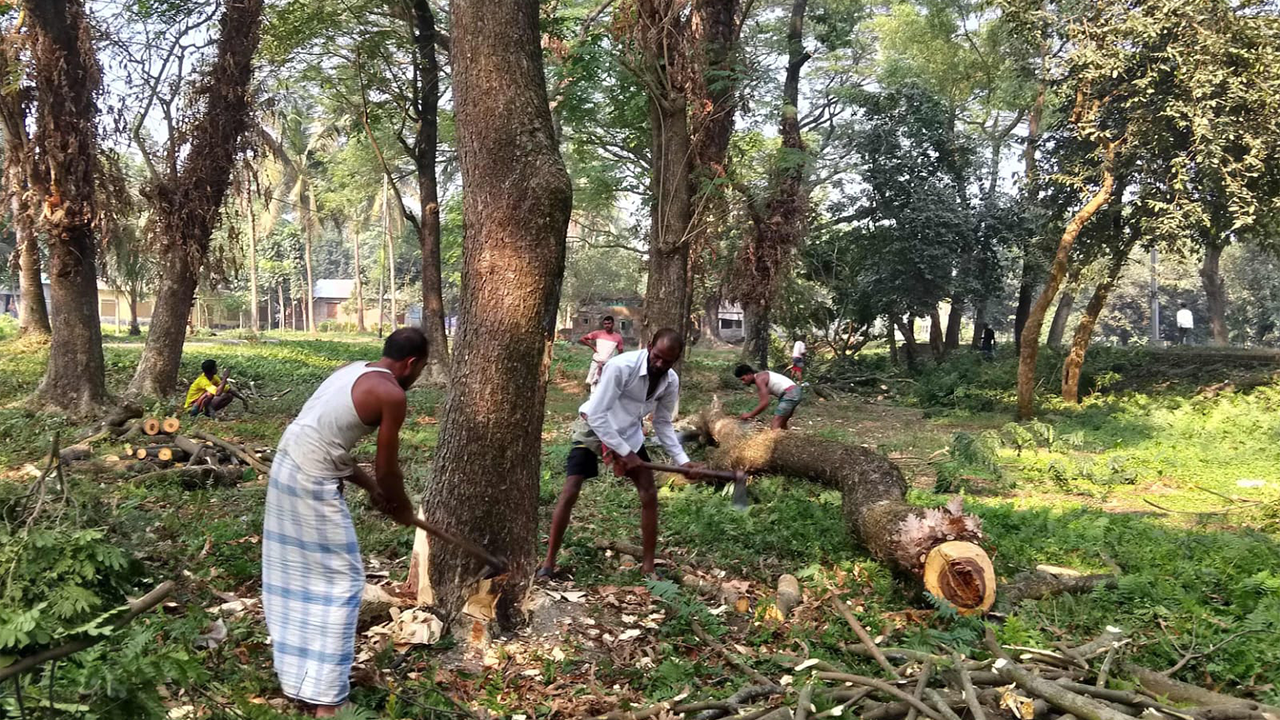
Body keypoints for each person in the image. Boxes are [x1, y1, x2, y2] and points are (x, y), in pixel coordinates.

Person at [261, 328, 427, 717]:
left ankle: (302, 681)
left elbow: (327, 441)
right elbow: (388, 469)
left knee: (296, 576)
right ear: (412, 364)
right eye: (420, 370)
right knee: (342, 584)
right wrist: (401, 505)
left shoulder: (352, 370)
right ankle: (327, 700)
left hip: (287, 465)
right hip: (309, 481)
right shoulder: (392, 394)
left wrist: (371, 489)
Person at [540, 328, 702, 579]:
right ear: (649, 346)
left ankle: (648, 566)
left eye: (667, 361)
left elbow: (662, 423)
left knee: (649, 493)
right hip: (594, 426)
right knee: (571, 488)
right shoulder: (621, 366)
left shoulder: (671, 381)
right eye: (656, 356)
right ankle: (549, 563)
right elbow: (597, 415)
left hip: (628, 432)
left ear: (676, 360)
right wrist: (626, 453)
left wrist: (684, 461)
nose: (659, 364)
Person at [734, 364, 803, 430]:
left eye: (743, 379)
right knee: (782, 423)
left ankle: (774, 441)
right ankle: (787, 439)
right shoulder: (762, 376)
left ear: (749, 374)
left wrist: (750, 414)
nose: (743, 382)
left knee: (775, 423)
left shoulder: (759, 380)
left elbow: (765, 403)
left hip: (790, 393)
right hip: (795, 391)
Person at [184, 359, 249, 417]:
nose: (217, 369)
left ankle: (206, 413)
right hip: (192, 406)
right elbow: (217, 393)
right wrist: (224, 378)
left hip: (203, 403)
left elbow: (227, 389)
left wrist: (242, 399)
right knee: (209, 394)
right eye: (215, 367)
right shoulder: (202, 380)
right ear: (212, 370)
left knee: (229, 396)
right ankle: (197, 413)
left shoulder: (213, 377)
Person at [581, 315, 625, 392]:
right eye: (605, 324)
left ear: (613, 324)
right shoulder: (598, 334)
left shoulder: (618, 337)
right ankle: (592, 398)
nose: (607, 325)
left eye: (609, 323)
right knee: (591, 382)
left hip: (608, 365)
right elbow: (583, 339)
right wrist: (593, 347)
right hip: (596, 362)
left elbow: (620, 352)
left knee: (604, 385)